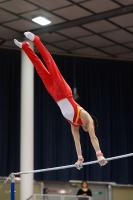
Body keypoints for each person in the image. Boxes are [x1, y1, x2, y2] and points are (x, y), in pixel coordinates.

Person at [14, 32, 107, 169]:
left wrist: (80, 158)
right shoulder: (87, 118)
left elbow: (77, 141)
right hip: (64, 92)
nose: (86, 129)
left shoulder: (74, 124)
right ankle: (37, 40)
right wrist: (99, 154)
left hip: (55, 95)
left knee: (40, 69)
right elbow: (93, 138)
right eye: (89, 128)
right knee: (50, 64)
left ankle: (25, 47)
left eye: (87, 129)